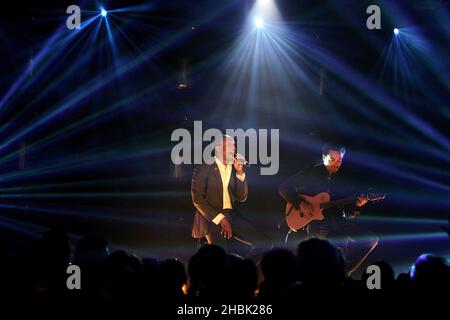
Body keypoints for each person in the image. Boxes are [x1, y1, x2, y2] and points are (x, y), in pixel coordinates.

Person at [279, 143, 378, 275]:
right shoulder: (310, 172)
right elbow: (284, 188)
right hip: (315, 221)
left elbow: (349, 212)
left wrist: (357, 205)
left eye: (339, 161)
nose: (336, 164)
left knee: (371, 240)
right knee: (314, 253)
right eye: (332, 160)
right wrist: (300, 202)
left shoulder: (345, 179)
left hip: (337, 220)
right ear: (323, 157)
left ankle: (345, 271)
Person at [191, 135, 262, 258]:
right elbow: (197, 199)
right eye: (229, 145)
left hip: (230, 215)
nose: (233, 149)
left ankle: (241, 270)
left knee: (263, 243)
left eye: (234, 145)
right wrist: (221, 219)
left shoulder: (234, 168)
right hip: (211, 217)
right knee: (220, 257)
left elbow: (242, 197)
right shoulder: (205, 167)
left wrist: (240, 172)